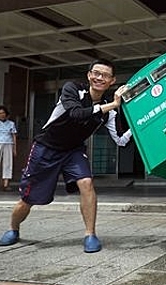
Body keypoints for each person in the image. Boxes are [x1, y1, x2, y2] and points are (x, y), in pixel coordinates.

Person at [0, 61, 132, 253]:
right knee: (28, 198)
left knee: (86, 183)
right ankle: (13, 228)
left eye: (105, 76)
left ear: (112, 81)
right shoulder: (73, 89)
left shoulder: (108, 110)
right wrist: (113, 104)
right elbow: (76, 113)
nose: (99, 78)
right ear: (89, 75)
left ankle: (90, 234)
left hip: (73, 150)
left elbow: (120, 140)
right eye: (96, 73)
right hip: (46, 147)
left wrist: (140, 127)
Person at [0, 105, 17, 191]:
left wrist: (14, 148)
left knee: (7, 163)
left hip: (8, 144)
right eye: (0, 113)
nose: (2, 115)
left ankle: (6, 184)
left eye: (3, 113)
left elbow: (14, 136)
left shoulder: (11, 123)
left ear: (6, 114)